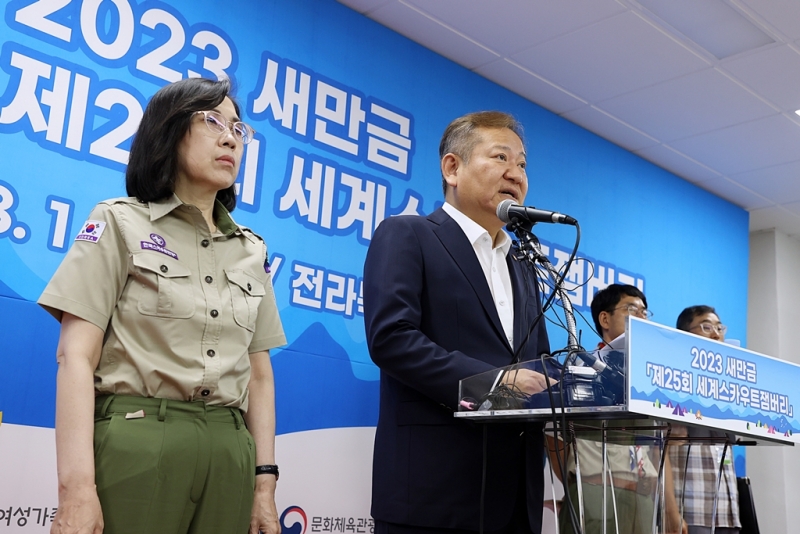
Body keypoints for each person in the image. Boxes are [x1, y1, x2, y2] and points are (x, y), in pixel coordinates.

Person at [37, 78, 286, 534]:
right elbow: (75, 356)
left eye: (238, 128)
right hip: (139, 437)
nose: (230, 137)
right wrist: (76, 490)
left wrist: (264, 485)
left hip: (230, 450)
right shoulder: (117, 222)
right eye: (212, 121)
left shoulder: (252, 250)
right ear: (168, 131)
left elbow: (260, 375)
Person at [363, 111, 555, 533]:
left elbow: (536, 362)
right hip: (434, 495)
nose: (516, 174)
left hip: (515, 501)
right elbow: (391, 339)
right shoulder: (408, 234)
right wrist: (496, 383)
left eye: (522, 164)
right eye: (501, 157)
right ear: (452, 167)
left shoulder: (524, 266)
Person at [555, 284, 685, 534]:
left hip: (644, 499)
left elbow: (659, 449)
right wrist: (582, 484)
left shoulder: (650, 380)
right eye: (631, 309)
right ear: (605, 318)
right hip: (597, 494)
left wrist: (670, 511)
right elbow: (554, 438)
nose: (641, 317)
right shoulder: (580, 371)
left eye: (645, 312)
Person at [669, 306, 741, 534]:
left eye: (719, 328)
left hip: (727, 511)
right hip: (689, 507)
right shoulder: (670, 380)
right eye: (706, 327)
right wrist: (671, 512)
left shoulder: (730, 385)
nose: (716, 334)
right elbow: (659, 452)